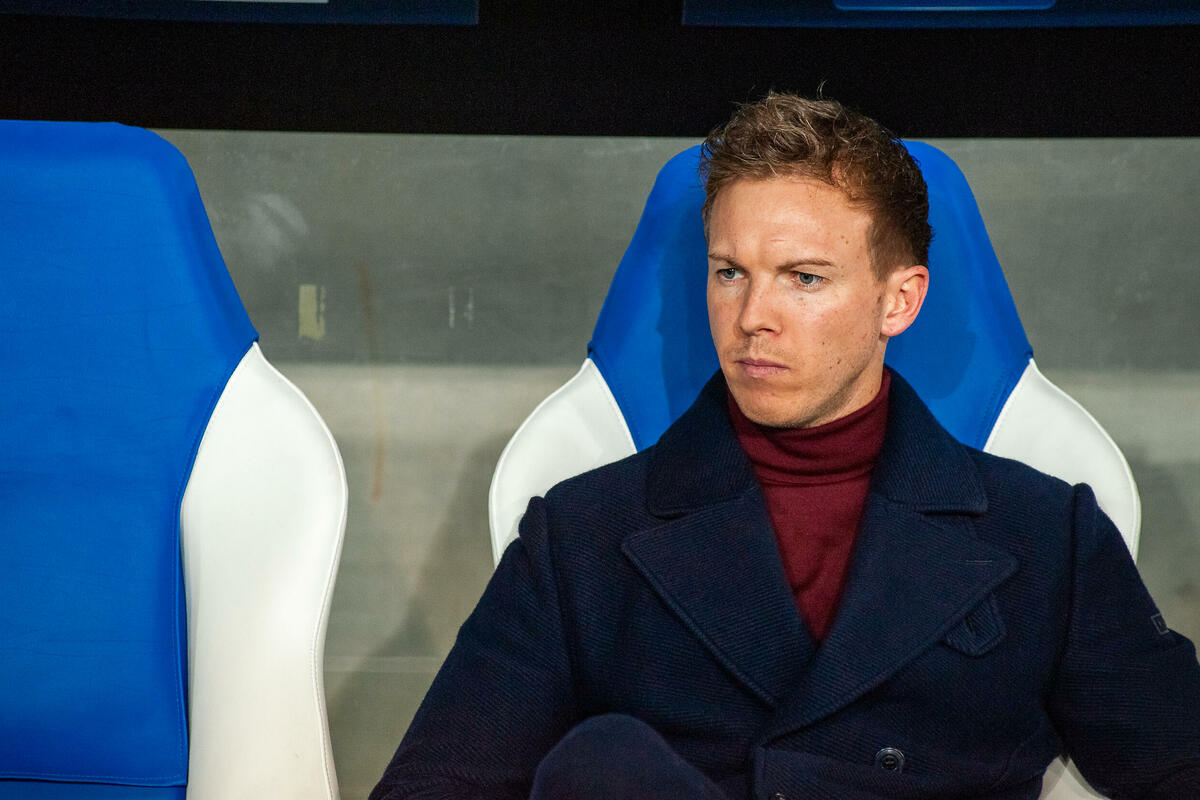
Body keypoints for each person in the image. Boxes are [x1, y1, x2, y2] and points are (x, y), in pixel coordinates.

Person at [371, 94, 1200, 800]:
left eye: (804, 278)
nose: (752, 317)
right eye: (729, 272)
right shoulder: (581, 538)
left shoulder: (1047, 537)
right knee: (607, 766)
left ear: (899, 301)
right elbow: (434, 785)